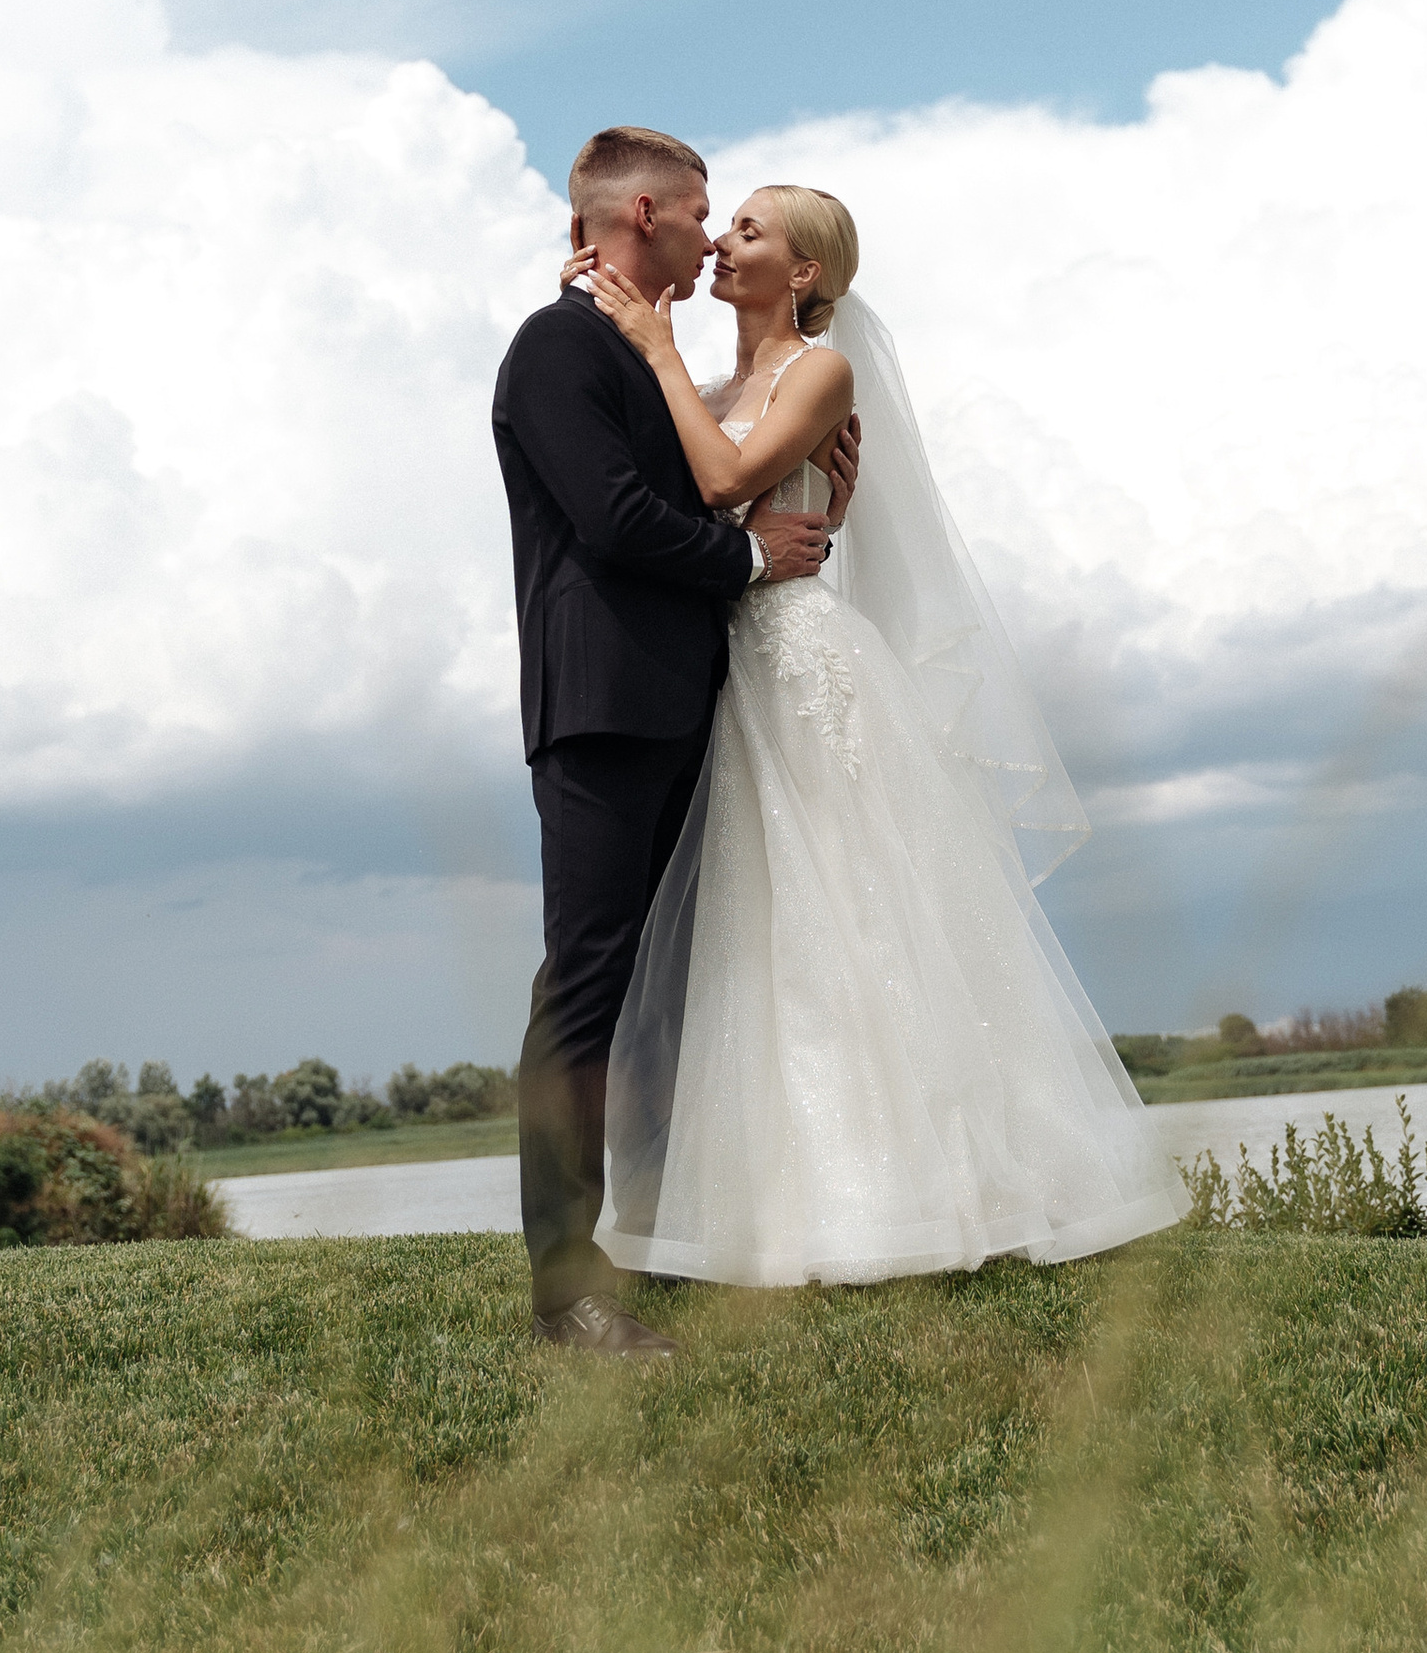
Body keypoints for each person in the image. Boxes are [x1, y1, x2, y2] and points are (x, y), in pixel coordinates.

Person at [577, 183, 1175, 1286]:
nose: (720, 243)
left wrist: (657, 351)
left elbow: (719, 477)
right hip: (730, 671)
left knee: (857, 910)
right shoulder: (715, 385)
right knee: (763, 933)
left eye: (747, 230)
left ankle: (934, 1188)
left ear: (802, 273)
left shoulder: (821, 372)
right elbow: (677, 514)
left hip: (804, 665)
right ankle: (792, 1204)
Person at [491, 126, 857, 1356]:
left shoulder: (631, 349)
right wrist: (751, 555)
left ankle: (658, 1235)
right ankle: (565, 1288)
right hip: (600, 706)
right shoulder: (556, 348)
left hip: (682, 698)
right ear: (643, 213)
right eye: (702, 215)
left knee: (667, 988)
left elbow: (706, 469)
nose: (712, 239)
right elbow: (614, 519)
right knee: (586, 986)